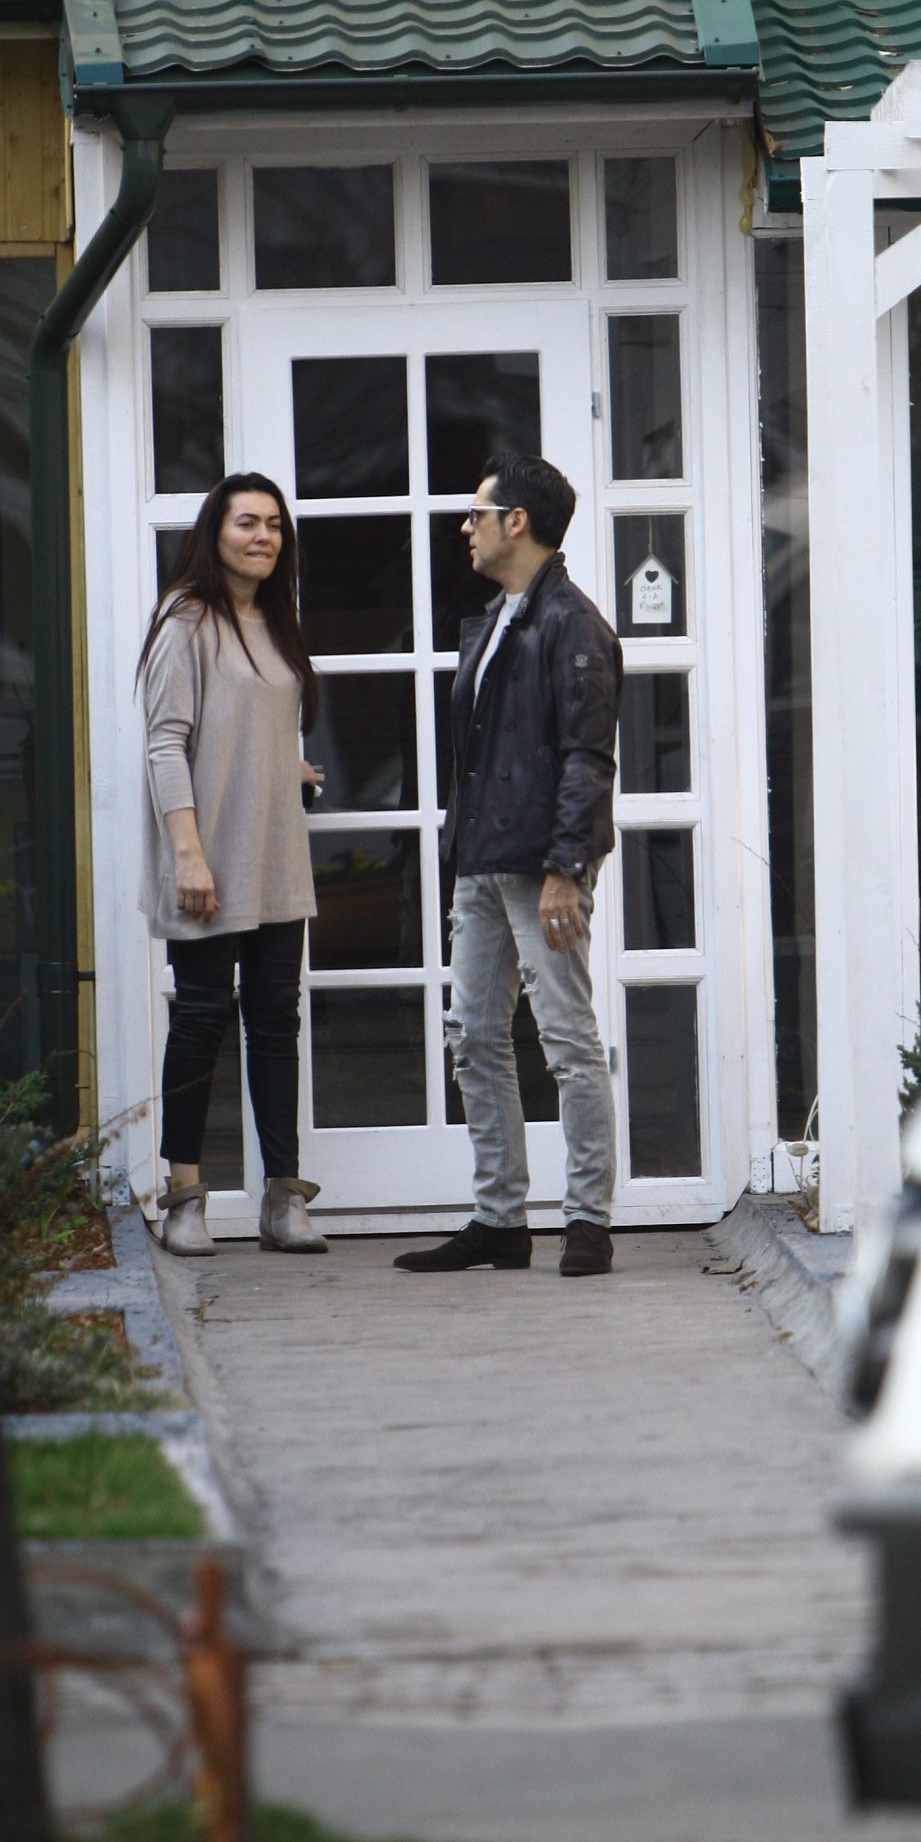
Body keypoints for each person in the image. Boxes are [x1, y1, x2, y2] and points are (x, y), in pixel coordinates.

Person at [396, 455, 623, 1279]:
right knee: (473, 1037)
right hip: (482, 861)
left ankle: (588, 1220)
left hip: (540, 866)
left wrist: (565, 866)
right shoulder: (494, 618)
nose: (466, 526)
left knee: (565, 1039)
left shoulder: (573, 624)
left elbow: (587, 757)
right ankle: (499, 1220)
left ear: (515, 522)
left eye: (477, 513)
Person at [137, 473, 325, 1258]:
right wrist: (187, 855)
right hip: (208, 858)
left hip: (276, 858)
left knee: (276, 1021)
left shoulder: (275, 621)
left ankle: (282, 1198)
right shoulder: (186, 618)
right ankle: (184, 1198)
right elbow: (165, 743)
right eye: (247, 522)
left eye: (274, 524)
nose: (263, 536)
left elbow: (256, 722)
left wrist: (287, 767)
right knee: (200, 1019)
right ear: (213, 531)